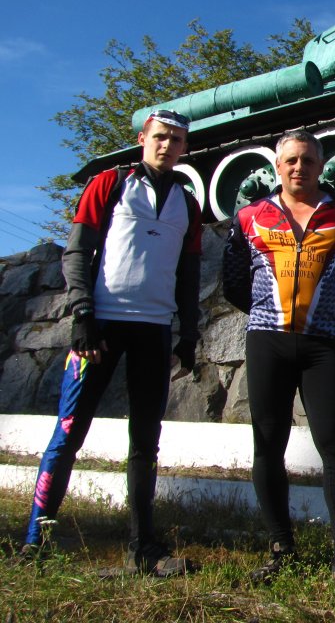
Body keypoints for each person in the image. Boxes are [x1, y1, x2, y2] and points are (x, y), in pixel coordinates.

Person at [22, 109, 203, 576]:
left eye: (177, 140)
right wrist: (82, 313)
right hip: (100, 326)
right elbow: (77, 251)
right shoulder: (109, 183)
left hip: (154, 331)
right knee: (69, 431)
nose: (167, 145)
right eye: (160, 136)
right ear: (143, 138)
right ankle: (35, 541)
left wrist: (189, 332)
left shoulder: (188, 203)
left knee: (146, 441)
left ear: (185, 147)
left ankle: (143, 548)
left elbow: (188, 275)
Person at [222, 130, 335, 593]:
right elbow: (234, 281)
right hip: (267, 342)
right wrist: (266, 315)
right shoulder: (250, 216)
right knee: (268, 446)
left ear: (321, 165)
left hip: (323, 346)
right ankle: (281, 549)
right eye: (290, 160)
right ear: (277, 166)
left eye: (308, 160)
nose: (299, 167)